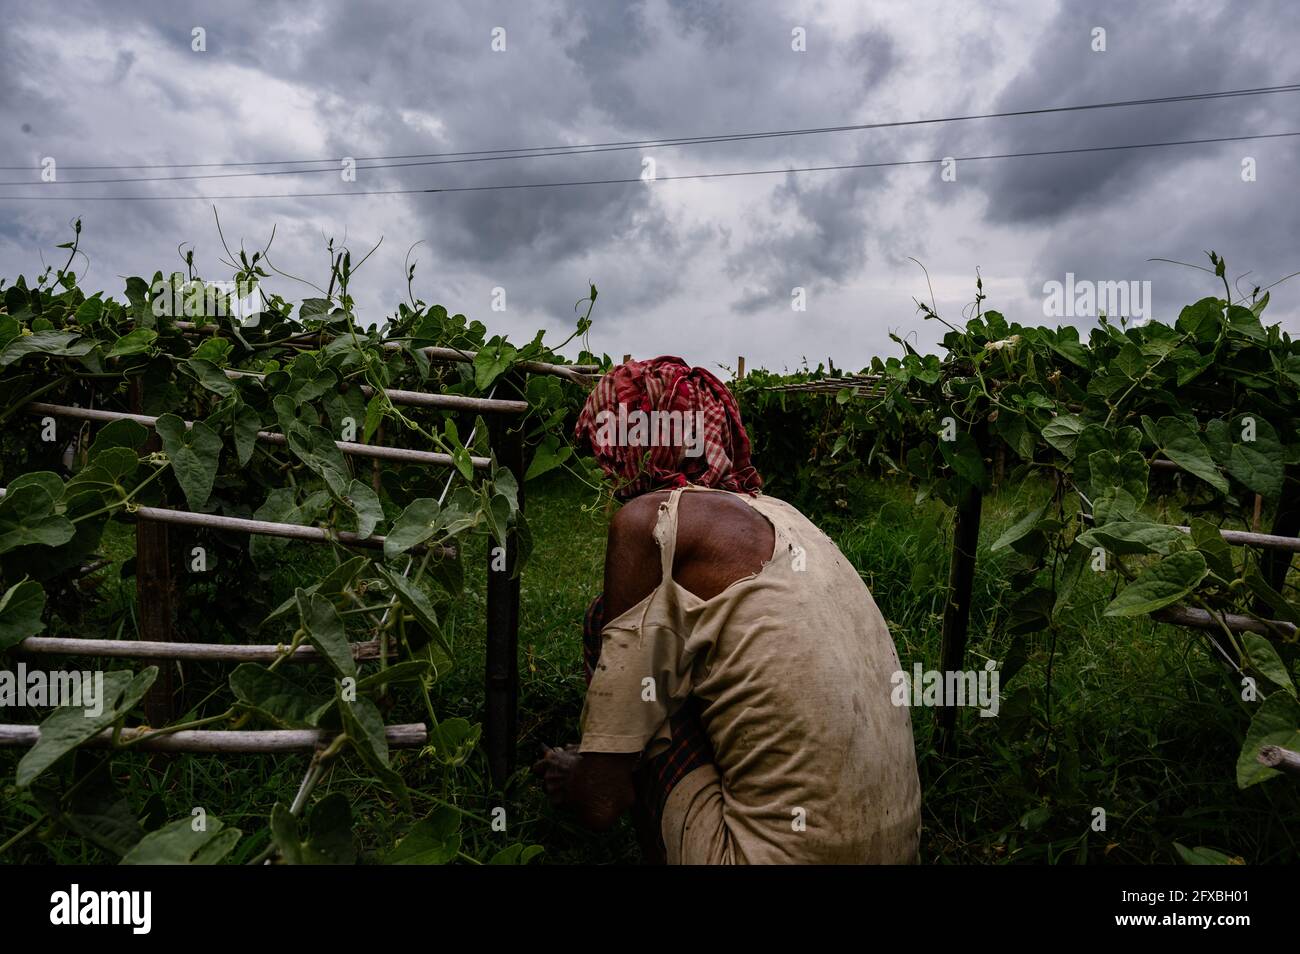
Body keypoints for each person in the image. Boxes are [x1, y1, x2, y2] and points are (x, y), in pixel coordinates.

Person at [532, 356, 921, 864]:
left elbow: (600, 807)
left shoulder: (647, 523)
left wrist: (586, 774)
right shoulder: (786, 515)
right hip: (900, 852)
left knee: (610, 621)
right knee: (683, 646)